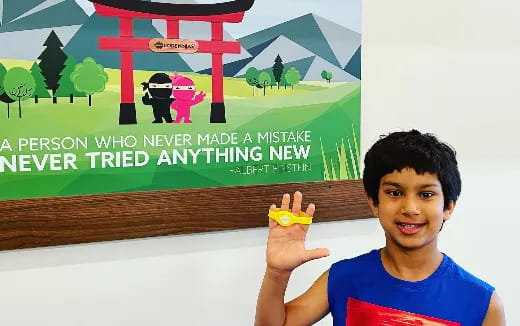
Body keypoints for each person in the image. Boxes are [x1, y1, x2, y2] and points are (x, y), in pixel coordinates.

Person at [255, 130, 506, 325]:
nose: (410, 208)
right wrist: (277, 273)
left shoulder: (482, 302)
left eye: (426, 194)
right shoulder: (343, 278)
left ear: (449, 206)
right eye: (394, 192)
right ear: (374, 202)